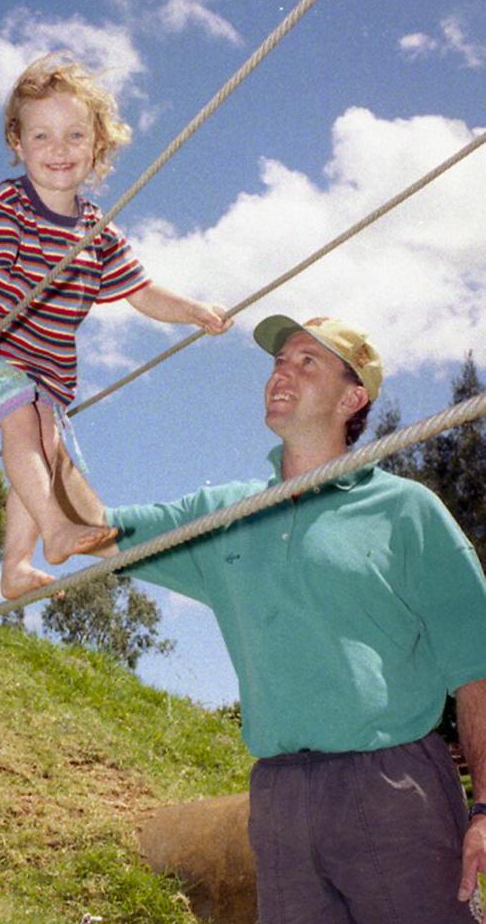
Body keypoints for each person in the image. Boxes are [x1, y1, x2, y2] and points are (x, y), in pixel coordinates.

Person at [80, 313, 486, 923]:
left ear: (354, 397)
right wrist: (29, 417)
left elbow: (476, 668)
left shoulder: (407, 511)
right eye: (278, 361)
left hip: (393, 788)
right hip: (278, 798)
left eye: (306, 361)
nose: (281, 373)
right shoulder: (224, 514)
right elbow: (92, 531)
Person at [0, 55, 232, 600]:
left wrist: (193, 311)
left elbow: (142, 291)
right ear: (17, 143)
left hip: (39, 371)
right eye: (42, 136)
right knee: (24, 421)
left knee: (42, 439)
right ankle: (57, 528)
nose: (59, 149)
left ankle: (17, 565)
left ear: (98, 146)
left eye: (74, 135)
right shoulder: (7, 205)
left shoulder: (97, 232)